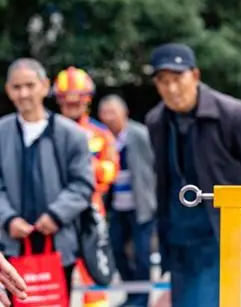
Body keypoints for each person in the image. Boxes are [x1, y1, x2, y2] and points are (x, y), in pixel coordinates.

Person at [145, 43, 241, 307]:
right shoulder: (156, 120)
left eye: (177, 78)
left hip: (223, 230)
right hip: (180, 237)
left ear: (195, 75)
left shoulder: (234, 114)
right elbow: (162, 177)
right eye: (163, 81)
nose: (171, 89)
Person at [0, 58, 94, 304]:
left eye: (30, 85)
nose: (24, 93)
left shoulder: (70, 134)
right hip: (11, 245)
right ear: (8, 90)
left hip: (59, 243)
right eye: (16, 87)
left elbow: (83, 184)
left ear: (44, 86)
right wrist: (8, 218)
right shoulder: (2, 132)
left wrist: (55, 215)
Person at [52, 66, 120, 307]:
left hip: (91, 212)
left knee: (94, 272)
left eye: (77, 101)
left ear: (87, 100)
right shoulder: (48, 133)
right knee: (57, 275)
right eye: (66, 101)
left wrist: (83, 168)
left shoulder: (100, 135)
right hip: (56, 215)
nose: (72, 105)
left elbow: (111, 171)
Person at [99, 95, 156, 307]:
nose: (109, 118)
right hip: (117, 206)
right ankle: (131, 294)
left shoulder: (139, 134)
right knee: (115, 249)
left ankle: (142, 299)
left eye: (113, 112)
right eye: (105, 113)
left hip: (140, 205)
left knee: (142, 254)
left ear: (124, 113)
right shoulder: (102, 138)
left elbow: (154, 167)